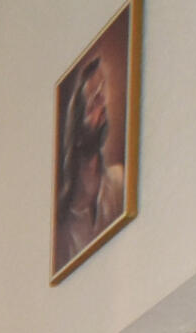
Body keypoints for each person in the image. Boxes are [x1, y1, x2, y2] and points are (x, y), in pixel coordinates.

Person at [56, 52, 125, 266]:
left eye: (101, 97)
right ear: (76, 133)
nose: (102, 109)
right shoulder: (66, 227)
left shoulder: (120, 181)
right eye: (93, 103)